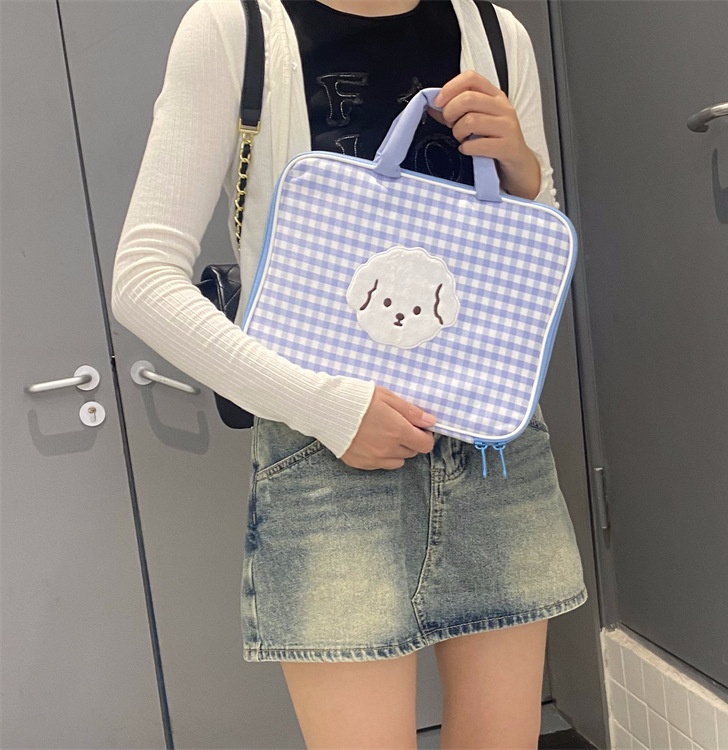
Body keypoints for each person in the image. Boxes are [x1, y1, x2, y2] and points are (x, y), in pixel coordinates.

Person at [112, 0, 588, 747]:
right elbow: (142, 279)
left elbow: (531, 261)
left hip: (492, 447)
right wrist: (325, 407)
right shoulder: (237, 27)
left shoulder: (497, 33)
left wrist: (523, 174)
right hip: (326, 452)